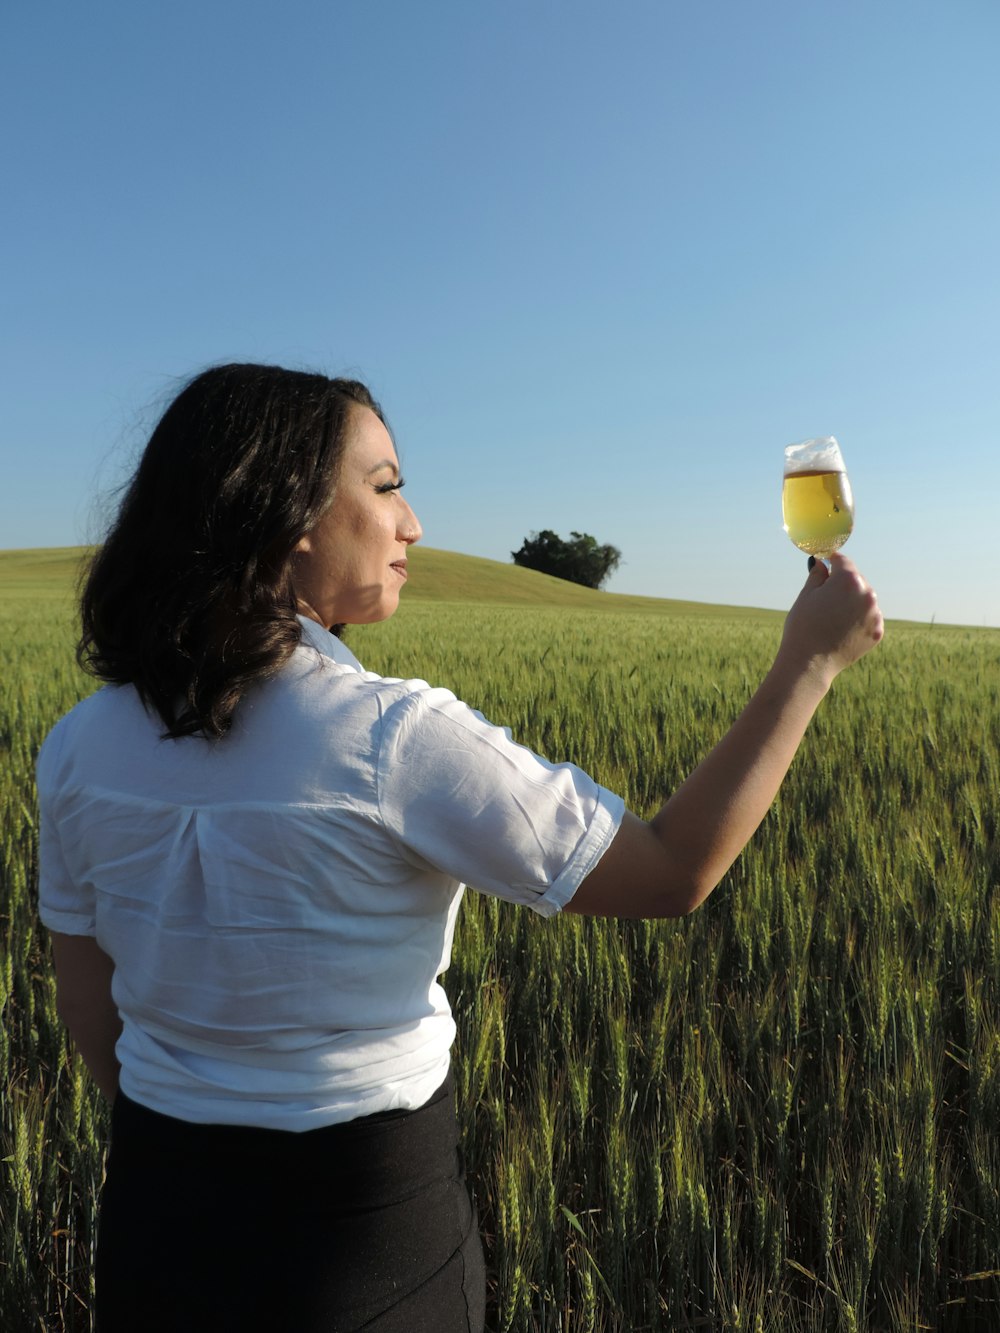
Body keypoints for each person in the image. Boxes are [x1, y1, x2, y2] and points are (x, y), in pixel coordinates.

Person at [37, 363, 883, 1332]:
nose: (414, 524)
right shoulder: (391, 740)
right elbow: (671, 870)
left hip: (154, 1221)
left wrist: (195, 1136)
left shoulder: (75, 746)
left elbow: (89, 1010)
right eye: (387, 484)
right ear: (289, 514)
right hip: (363, 1244)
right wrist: (807, 665)